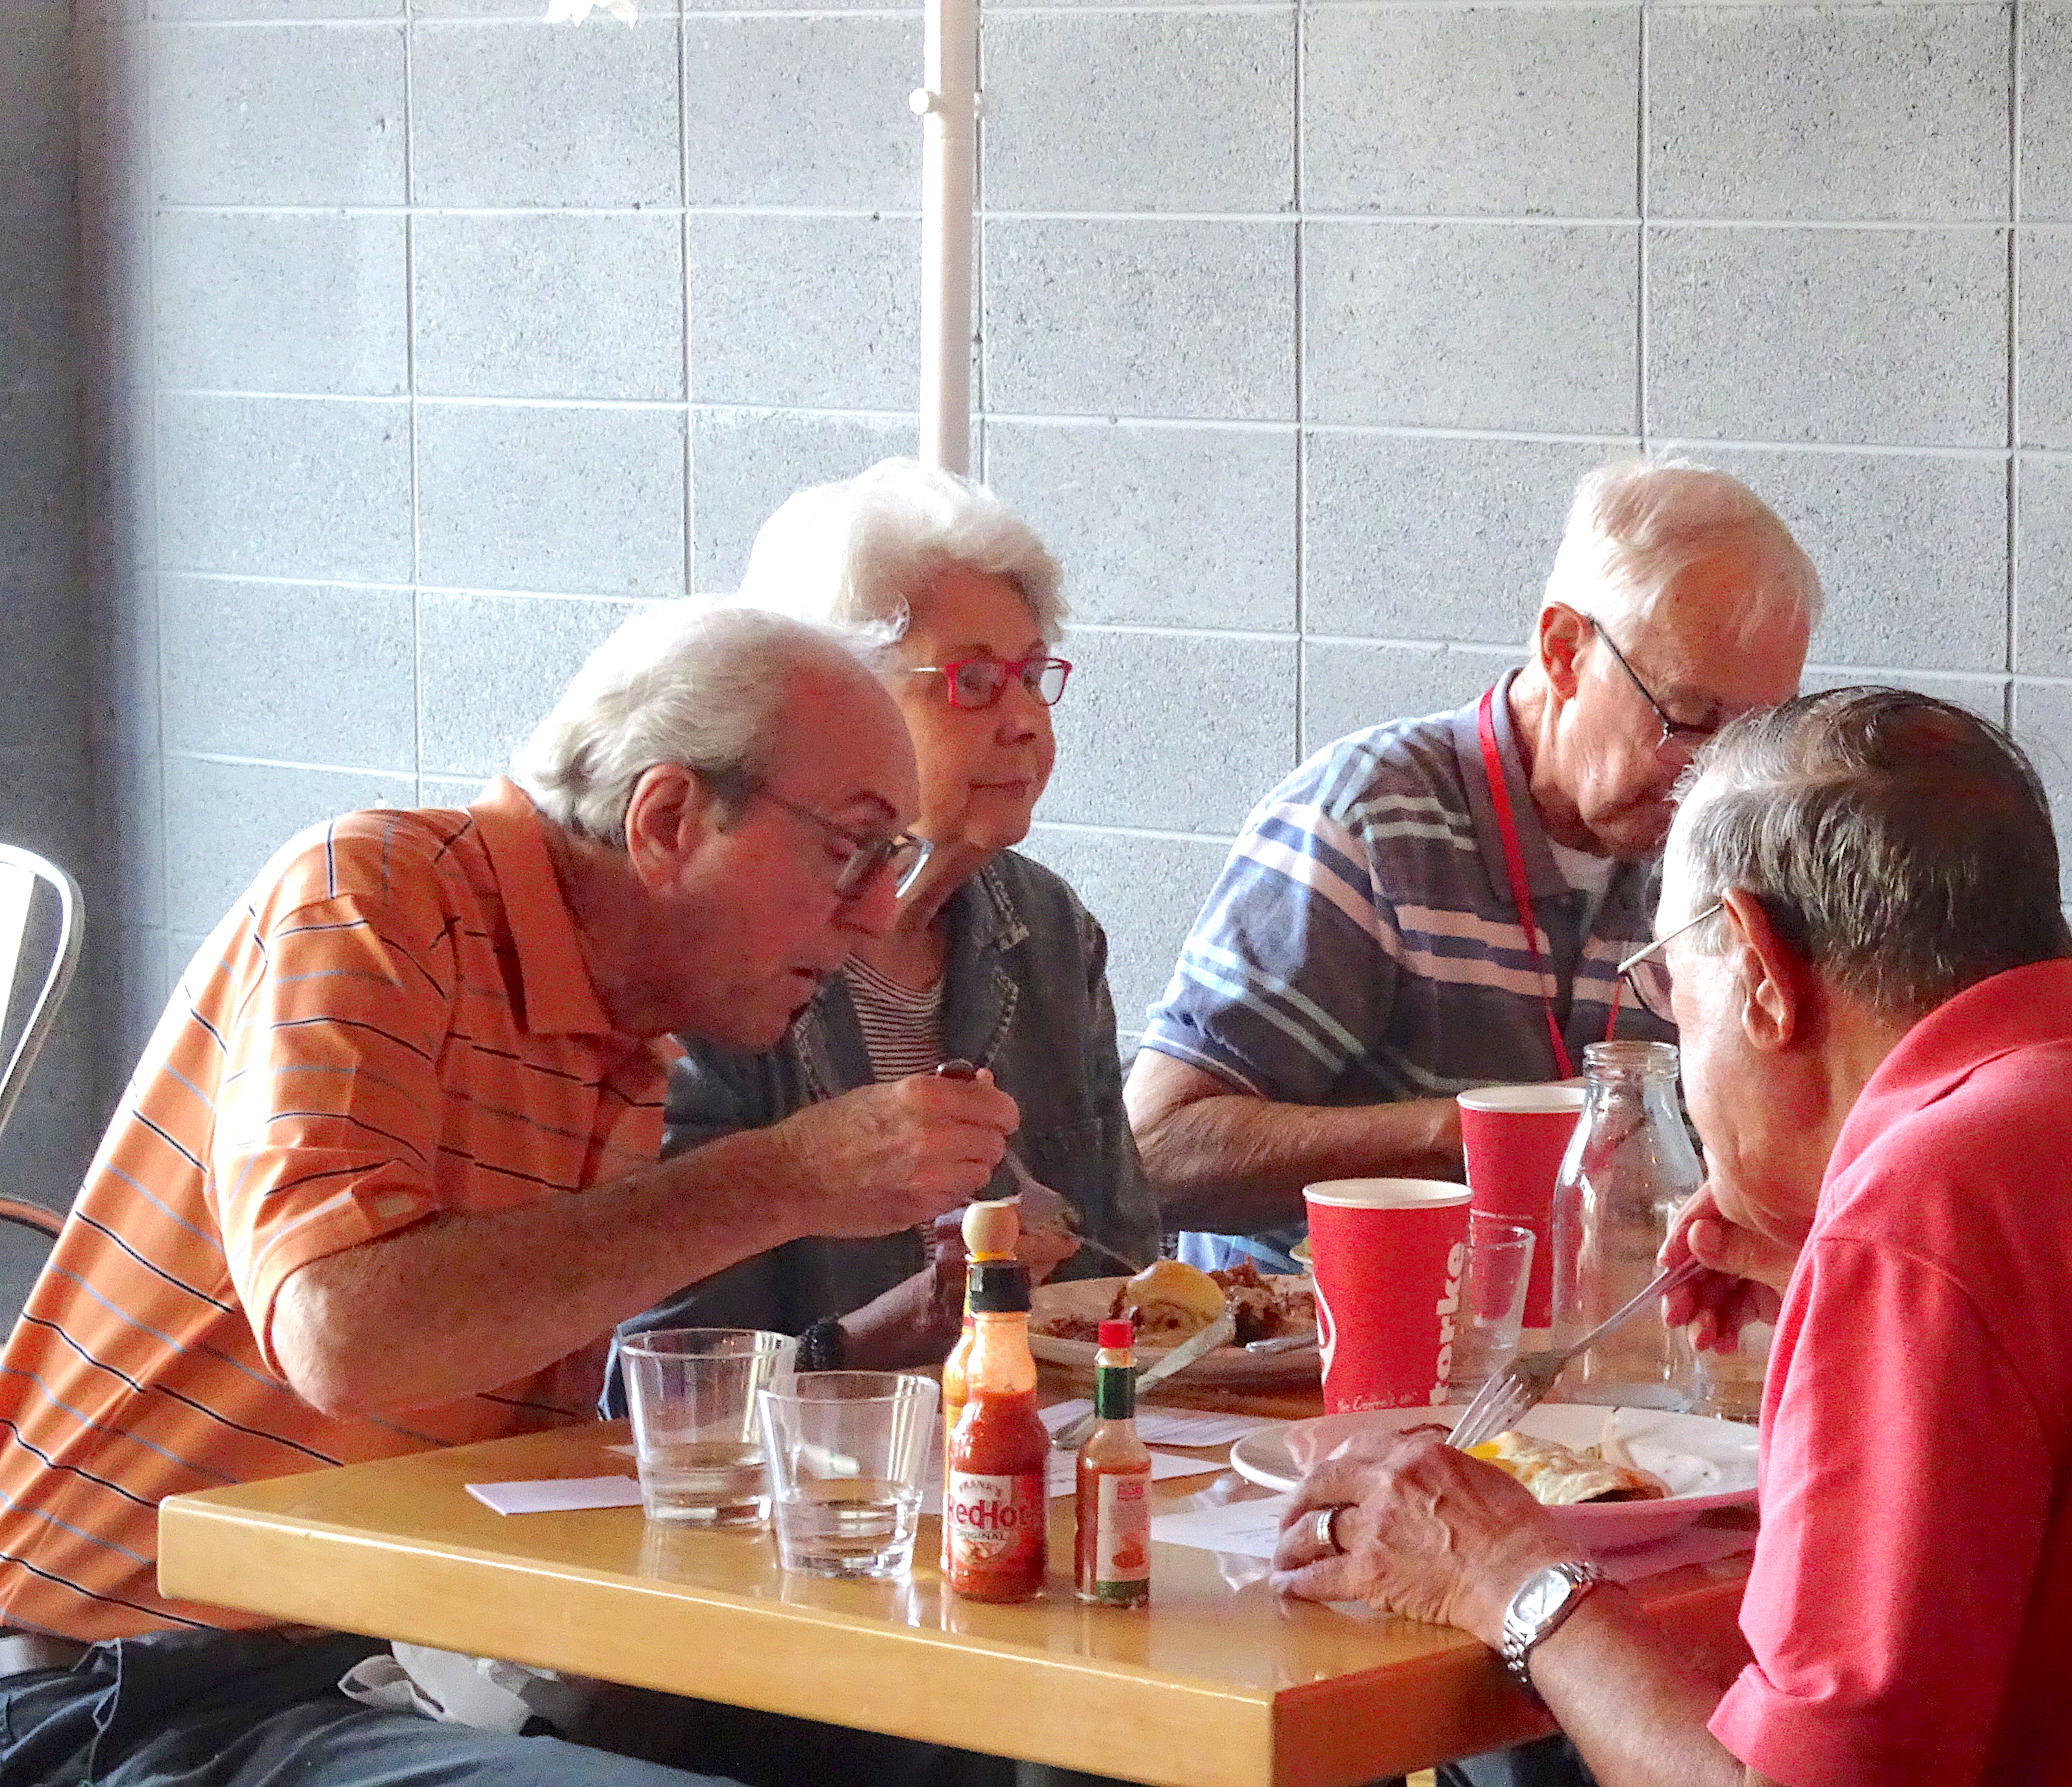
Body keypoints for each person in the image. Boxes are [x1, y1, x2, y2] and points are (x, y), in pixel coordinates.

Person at [1270, 688, 2072, 1787]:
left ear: (1763, 971)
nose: (1681, 1047)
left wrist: (1506, 1572)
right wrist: (1825, 1282)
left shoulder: (1934, 1203)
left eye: (1679, 991)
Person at [0, 601, 1022, 1784]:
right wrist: (783, 1176)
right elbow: (346, 1335)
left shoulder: (625, 1034)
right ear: (668, 818)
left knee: (957, 1744)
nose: (875, 916)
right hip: (129, 1679)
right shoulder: (371, 898)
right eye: (851, 847)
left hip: (412, 1659)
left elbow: (506, 1441)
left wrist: (865, 1341)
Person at [1128, 457, 1820, 1269]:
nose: (1711, 775)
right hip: (1312, 1360)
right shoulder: (1367, 820)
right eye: (1688, 719)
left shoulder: (1723, 836)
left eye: (1749, 735)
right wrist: (1464, 1137)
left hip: (1589, 1344)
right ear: (1564, 652)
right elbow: (1155, 1149)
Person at [623, 460, 1155, 1381]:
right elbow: (665, 1393)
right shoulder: (729, 953)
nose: (1026, 720)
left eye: (1034, 677)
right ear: (834, 699)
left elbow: (1127, 1278)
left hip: (1028, 1458)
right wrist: (906, 1326)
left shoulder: (1047, 930)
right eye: (976, 682)